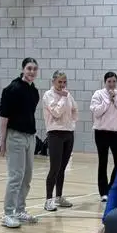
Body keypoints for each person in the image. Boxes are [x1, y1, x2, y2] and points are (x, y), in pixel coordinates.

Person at [0, 57, 40, 229]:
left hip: (30, 137)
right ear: (23, 69)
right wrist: (2, 139)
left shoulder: (34, 91)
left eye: (34, 69)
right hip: (15, 136)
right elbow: (4, 116)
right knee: (16, 176)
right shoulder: (12, 89)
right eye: (29, 68)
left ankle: (20, 209)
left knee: (27, 176)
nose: (31, 71)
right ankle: (8, 214)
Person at [42, 70, 78, 212]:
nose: (62, 85)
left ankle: (59, 196)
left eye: (64, 82)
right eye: (60, 82)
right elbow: (56, 112)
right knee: (54, 168)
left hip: (68, 133)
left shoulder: (68, 94)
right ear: (53, 82)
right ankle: (48, 200)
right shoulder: (48, 95)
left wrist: (71, 123)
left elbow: (75, 109)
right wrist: (63, 98)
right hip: (55, 133)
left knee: (63, 167)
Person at [90, 72, 117, 202]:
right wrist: (107, 101)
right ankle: (103, 192)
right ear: (105, 82)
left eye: (114, 81)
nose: (111, 84)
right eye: (109, 81)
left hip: (115, 133)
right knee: (103, 161)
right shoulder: (98, 94)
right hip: (101, 132)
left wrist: (116, 100)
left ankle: (112, 188)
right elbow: (96, 112)